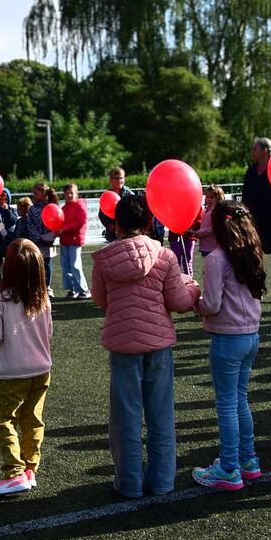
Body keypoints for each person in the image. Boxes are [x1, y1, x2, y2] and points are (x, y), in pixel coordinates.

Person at [91, 194, 200, 499]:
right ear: (150, 222)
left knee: (125, 419)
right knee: (160, 415)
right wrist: (192, 288)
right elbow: (178, 302)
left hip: (123, 345)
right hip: (157, 344)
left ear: (116, 225)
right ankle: (163, 481)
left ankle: (128, 483)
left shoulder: (104, 259)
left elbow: (100, 300)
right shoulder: (165, 256)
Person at [191, 200, 265, 491]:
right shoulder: (251, 251)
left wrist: (193, 298)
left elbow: (211, 304)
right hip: (250, 336)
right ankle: (248, 461)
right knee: (239, 400)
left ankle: (229, 467)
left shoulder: (217, 258)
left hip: (228, 338)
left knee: (227, 406)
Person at [0, 238, 52, 497]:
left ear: (7, 266)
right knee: (32, 418)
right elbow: (49, 331)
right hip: (42, 368)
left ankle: (14, 472)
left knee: (4, 420)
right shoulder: (42, 294)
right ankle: (30, 467)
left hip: (12, 370)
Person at [242, 137, 271, 304]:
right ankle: (258, 289)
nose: (252, 152)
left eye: (254, 149)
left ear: (265, 151)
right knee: (255, 256)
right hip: (255, 221)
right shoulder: (251, 172)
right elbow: (245, 197)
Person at [21, 182, 58, 294]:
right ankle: (38, 286)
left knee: (47, 263)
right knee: (36, 263)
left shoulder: (51, 206)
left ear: (43, 193)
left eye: (36, 193)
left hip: (49, 240)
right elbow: (30, 224)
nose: (34, 195)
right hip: (37, 241)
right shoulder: (32, 209)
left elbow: (56, 221)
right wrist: (38, 238)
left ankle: (47, 287)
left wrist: (50, 237)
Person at [58, 183, 91, 299]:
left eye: (71, 193)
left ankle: (84, 289)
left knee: (75, 265)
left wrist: (63, 229)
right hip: (64, 240)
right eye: (66, 193)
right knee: (66, 266)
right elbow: (59, 222)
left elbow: (80, 223)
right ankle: (72, 290)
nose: (69, 195)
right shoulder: (63, 208)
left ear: (76, 194)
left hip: (75, 240)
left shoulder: (80, 205)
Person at [97, 167, 134, 244]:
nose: (119, 181)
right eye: (116, 178)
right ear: (111, 180)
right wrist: (109, 225)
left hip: (128, 232)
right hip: (112, 234)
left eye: (121, 178)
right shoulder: (107, 195)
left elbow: (135, 211)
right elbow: (101, 214)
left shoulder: (129, 194)